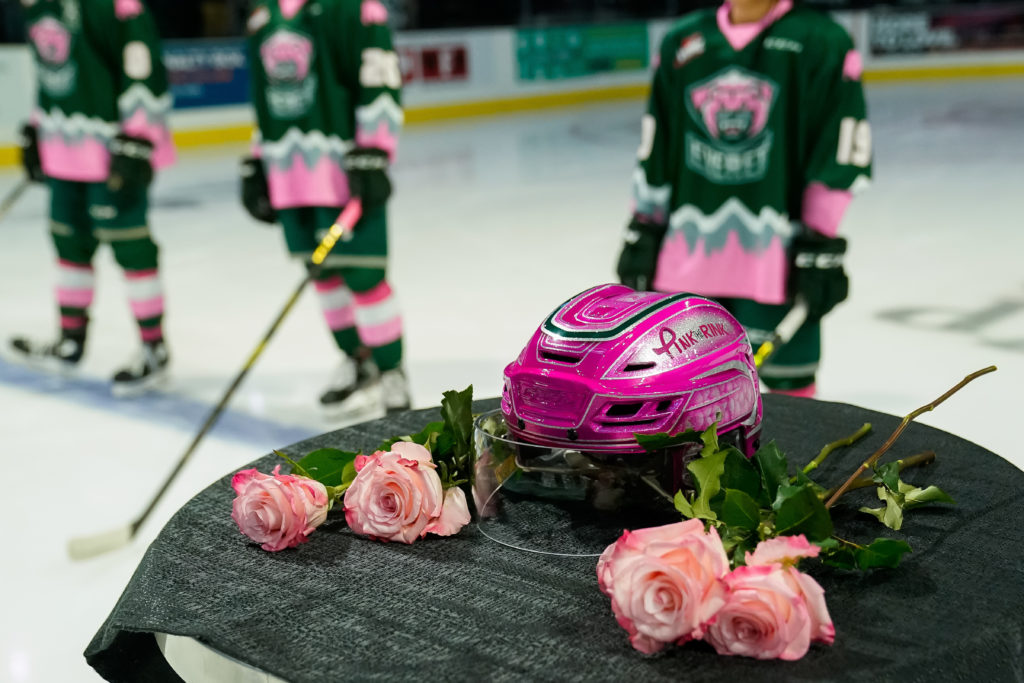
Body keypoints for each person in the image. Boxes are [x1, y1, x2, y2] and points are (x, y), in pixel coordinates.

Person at [616, 0, 871, 397]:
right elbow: (658, 147)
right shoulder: (681, 42)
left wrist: (820, 240)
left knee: (791, 392)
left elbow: (837, 149)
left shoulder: (821, 40)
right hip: (685, 267)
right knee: (677, 398)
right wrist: (644, 227)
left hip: (778, 264)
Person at [241, 0, 409, 418]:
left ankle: (391, 370)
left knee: (364, 275)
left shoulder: (356, 10)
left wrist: (374, 150)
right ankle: (357, 360)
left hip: (343, 170)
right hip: (287, 174)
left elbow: (380, 79)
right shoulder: (263, 18)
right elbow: (263, 97)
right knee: (322, 274)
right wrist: (256, 160)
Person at [12, 0, 176, 396]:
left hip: (111, 154)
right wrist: (38, 128)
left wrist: (138, 138)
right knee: (68, 245)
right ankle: (70, 342)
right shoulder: (39, 9)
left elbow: (143, 74)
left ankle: (154, 348)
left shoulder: (118, 7)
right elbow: (54, 75)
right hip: (61, 152)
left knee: (132, 250)